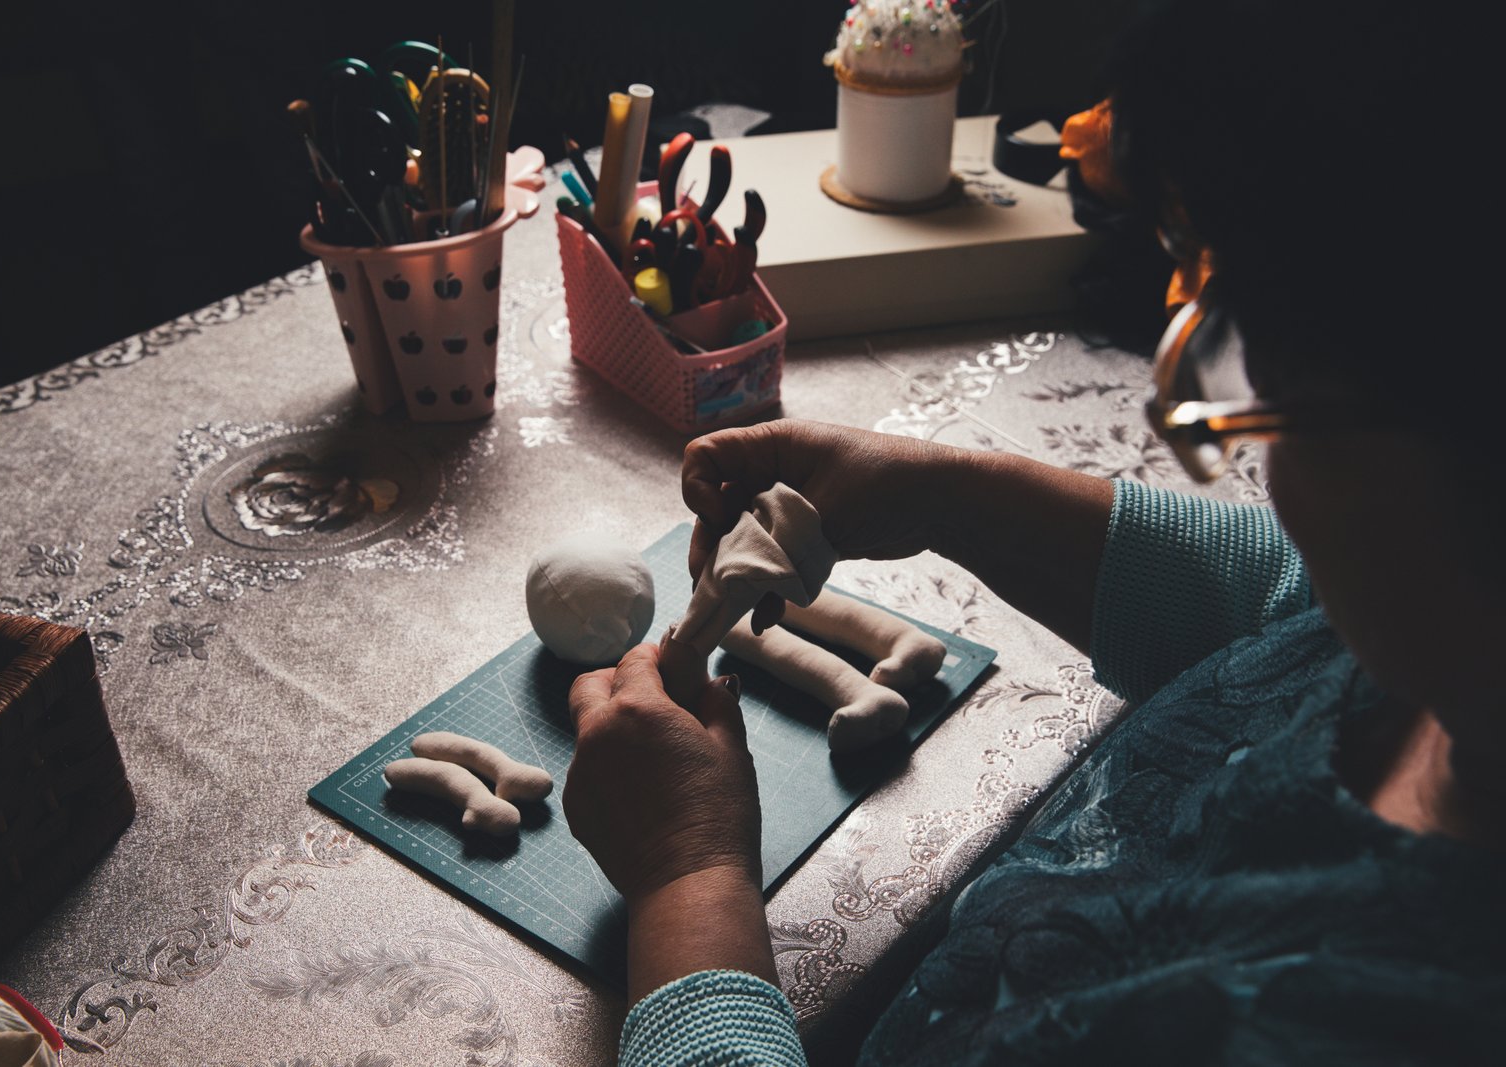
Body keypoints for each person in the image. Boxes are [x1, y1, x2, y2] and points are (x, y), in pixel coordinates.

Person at [563, 0, 1503, 1062]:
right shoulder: (1439, 645)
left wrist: (687, 885)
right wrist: (947, 493)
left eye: (1277, 384)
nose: (1252, 452)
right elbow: (1291, 614)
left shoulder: (1361, 1021)